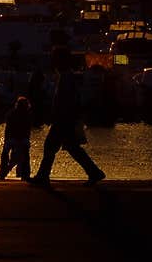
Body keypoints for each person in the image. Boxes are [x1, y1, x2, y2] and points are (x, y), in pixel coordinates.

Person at [29, 47, 105, 186]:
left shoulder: (66, 78)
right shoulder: (66, 76)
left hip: (63, 119)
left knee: (51, 146)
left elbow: (66, 101)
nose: (53, 62)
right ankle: (94, 172)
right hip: (66, 119)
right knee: (72, 148)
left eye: (55, 58)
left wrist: (56, 115)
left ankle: (43, 176)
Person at [0, 96, 33, 180]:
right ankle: (25, 174)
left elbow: (8, 129)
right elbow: (27, 131)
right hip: (20, 139)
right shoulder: (28, 115)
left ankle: (3, 172)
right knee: (25, 155)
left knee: (5, 154)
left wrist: (6, 140)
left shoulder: (11, 114)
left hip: (12, 138)